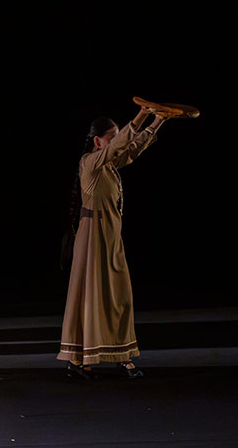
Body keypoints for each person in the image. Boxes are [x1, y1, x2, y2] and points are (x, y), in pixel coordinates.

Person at [59, 105, 167, 380]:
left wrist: (158, 120)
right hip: (92, 237)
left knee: (118, 296)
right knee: (91, 297)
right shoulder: (90, 163)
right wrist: (142, 114)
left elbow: (132, 148)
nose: (119, 142)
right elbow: (122, 146)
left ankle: (119, 354)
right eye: (113, 137)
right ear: (98, 141)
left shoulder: (108, 165)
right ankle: (79, 360)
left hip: (109, 235)